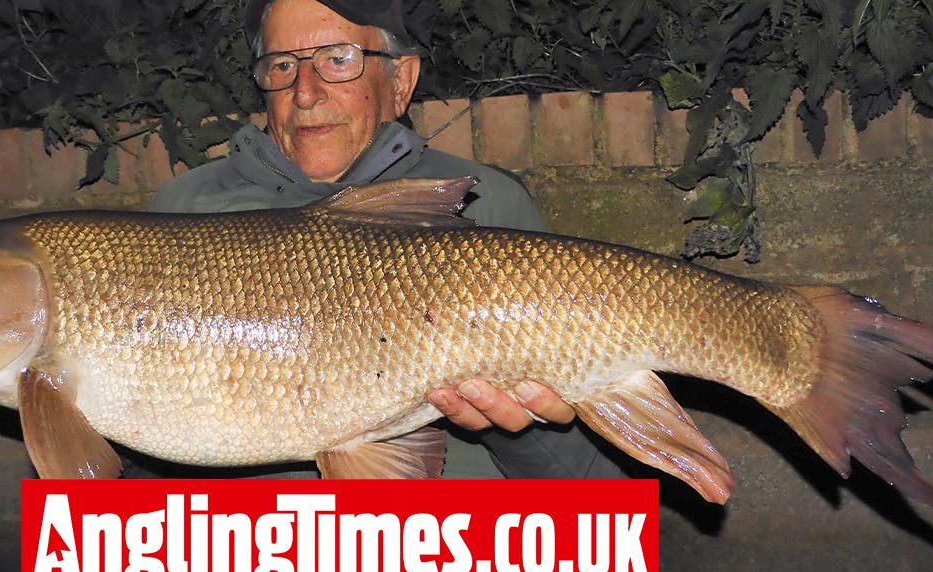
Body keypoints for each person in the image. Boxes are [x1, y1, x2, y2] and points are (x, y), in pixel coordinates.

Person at [137, 0, 627, 481]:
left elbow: (595, 489)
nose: (305, 92)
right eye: (282, 65)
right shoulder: (186, 209)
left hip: (452, 550)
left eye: (337, 59)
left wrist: (515, 421)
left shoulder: (484, 207)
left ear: (399, 82)